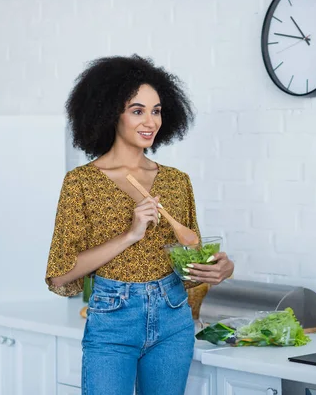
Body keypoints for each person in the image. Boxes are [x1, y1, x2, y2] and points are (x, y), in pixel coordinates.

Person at [45, 55, 234, 395]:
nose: (150, 121)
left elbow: (191, 262)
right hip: (113, 320)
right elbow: (61, 273)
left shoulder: (177, 182)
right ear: (109, 113)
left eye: (157, 110)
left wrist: (219, 268)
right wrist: (131, 234)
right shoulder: (81, 183)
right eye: (137, 110)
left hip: (173, 319)